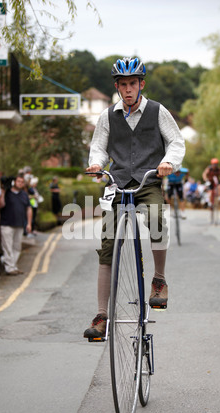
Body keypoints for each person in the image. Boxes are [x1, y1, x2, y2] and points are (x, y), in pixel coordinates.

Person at [83, 57, 185, 339]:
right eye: (123, 84)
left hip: (148, 180)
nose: (128, 89)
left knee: (156, 217)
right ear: (117, 87)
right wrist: (96, 164)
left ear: (141, 84)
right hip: (118, 183)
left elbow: (176, 141)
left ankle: (159, 280)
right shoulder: (107, 116)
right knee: (106, 247)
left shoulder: (157, 111)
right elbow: (99, 148)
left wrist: (168, 162)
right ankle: (102, 315)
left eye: (133, 83)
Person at [0, 175, 32, 275]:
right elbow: (0, 205)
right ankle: (9, 268)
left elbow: (28, 209)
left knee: (17, 247)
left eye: (22, 182)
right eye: (18, 181)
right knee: (7, 246)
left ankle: (13, 265)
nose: (20, 183)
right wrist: (3, 192)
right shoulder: (7, 193)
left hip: (20, 224)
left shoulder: (24, 195)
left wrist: (29, 223)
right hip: (7, 224)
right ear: (14, 182)